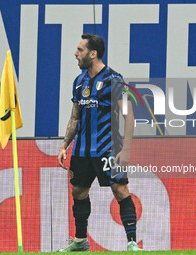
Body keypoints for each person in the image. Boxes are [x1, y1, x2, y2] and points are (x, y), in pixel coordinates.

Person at [57, 33, 142, 252]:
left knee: (120, 190)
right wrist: (65, 145)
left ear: (93, 54)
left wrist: (127, 149)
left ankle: (132, 243)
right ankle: (80, 241)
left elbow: (128, 116)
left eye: (80, 50)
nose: (76, 54)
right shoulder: (79, 82)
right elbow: (75, 117)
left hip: (108, 148)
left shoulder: (114, 79)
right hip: (82, 151)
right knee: (78, 192)